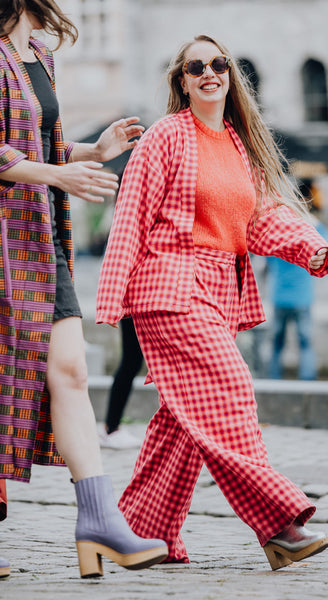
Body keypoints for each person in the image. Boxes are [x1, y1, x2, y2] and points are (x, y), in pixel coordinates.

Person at [96, 35, 328, 571]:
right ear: (181, 80)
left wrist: (309, 246)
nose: (209, 72)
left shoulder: (237, 145)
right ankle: (278, 524)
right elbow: (130, 215)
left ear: (231, 75)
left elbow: (259, 219)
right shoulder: (164, 137)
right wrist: (112, 297)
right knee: (230, 391)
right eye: (195, 66)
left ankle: (138, 533)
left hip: (216, 292)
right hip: (168, 285)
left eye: (218, 63)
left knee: (181, 424)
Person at [0, 0, 168, 579]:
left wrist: (93, 152)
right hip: (3, 244)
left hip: (42, 241)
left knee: (70, 373)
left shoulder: (41, 56)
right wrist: (53, 174)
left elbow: (42, 149)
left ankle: (96, 521)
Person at [267, 180, 328, 380]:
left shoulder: (278, 232)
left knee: (277, 344)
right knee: (305, 343)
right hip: (302, 298)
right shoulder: (310, 231)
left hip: (279, 297)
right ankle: (308, 380)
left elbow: (267, 260)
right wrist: (316, 224)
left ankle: (274, 379)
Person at [99, 316, 144, 449]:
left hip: (143, 303)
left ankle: (111, 428)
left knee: (132, 361)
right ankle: (111, 428)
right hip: (139, 304)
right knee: (132, 361)